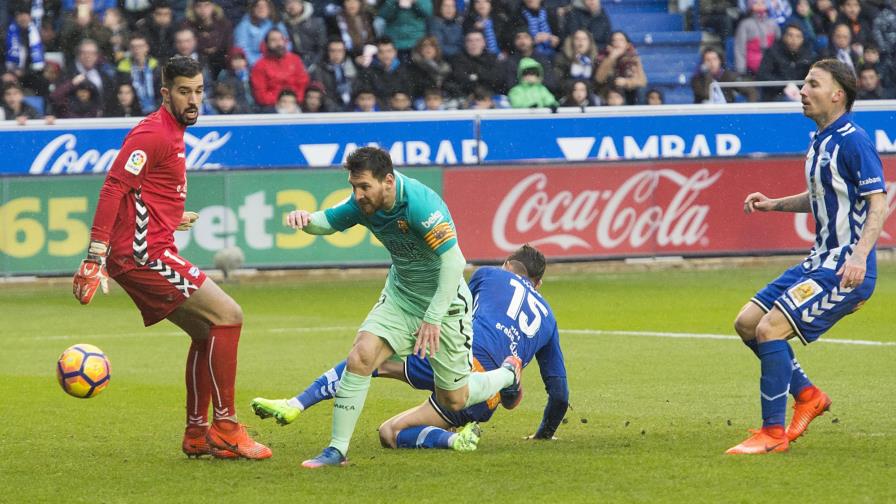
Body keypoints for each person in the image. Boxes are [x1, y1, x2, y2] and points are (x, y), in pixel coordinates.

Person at [71, 56, 271, 460]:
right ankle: (227, 427)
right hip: (143, 255)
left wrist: (169, 217)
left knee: (205, 332)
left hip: (145, 248)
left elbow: (140, 193)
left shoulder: (173, 132)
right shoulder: (154, 133)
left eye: (198, 91)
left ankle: (198, 434)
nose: (194, 99)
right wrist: (95, 255)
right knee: (229, 315)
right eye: (184, 92)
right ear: (165, 93)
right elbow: (114, 187)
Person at [280, 146, 523, 468]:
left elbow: (454, 263)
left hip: (445, 304)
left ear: (388, 181)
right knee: (361, 355)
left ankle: (507, 374)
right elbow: (327, 221)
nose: (358, 194)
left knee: (455, 398)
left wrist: (433, 319)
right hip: (401, 296)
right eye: (353, 186)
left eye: (364, 186)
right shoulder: (363, 204)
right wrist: (306, 220)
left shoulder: (420, 205)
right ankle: (336, 451)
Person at [251, 245, 569, 451]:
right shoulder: (549, 319)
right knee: (390, 432)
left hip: (458, 362)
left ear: (506, 264)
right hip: (486, 398)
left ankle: (298, 402)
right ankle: (454, 439)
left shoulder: (488, 275)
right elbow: (559, 393)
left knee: (370, 361)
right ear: (538, 283)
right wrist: (544, 433)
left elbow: (453, 311)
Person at [729, 59, 888, 455]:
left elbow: (879, 203)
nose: (802, 91)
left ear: (838, 95)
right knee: (747, 323)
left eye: (812, 84)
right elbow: (822, 198)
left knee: (769, 330)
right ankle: (808, 395)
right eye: (803, 84)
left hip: (844, 270)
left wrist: (859, 256)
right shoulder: (821, 139)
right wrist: (773, 205)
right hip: (818, 262)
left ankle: (773, 434)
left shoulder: (854, 139)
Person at [250, 28, 310, 110]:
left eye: (281, 39)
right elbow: (261, 95)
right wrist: (282, 101)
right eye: (273, 40)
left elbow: (303, 84)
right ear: (266, 44)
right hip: (272, 107)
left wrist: (293, 100)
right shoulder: (259, 65)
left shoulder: (295, 60)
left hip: (296, 104)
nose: (278, 43)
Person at [691, 47, 757, 103]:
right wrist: (708, 75)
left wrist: (749, 111)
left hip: (726, 114)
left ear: (720, 60)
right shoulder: (697, 79)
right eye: (708, 60)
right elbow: (707, 96)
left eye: (714, 59)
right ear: (703, 63)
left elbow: (751, 91)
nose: (712, 63)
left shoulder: (728, 75)